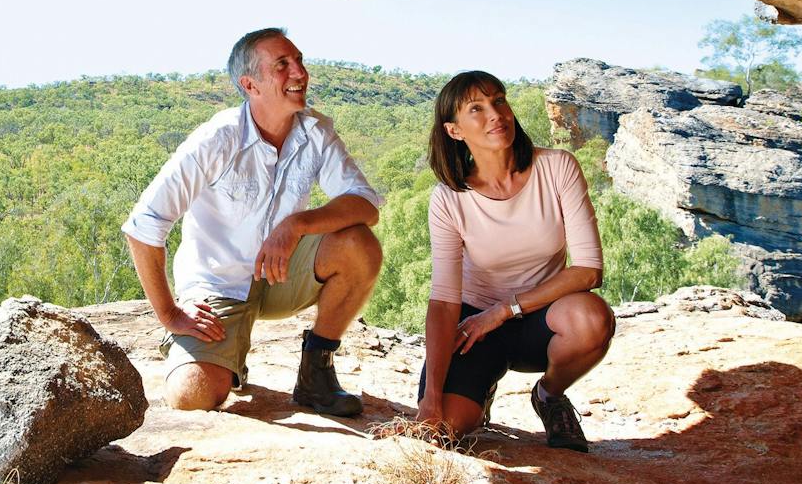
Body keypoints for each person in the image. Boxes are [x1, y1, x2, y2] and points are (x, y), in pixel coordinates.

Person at [123, 28, 384, 416]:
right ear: (250, 85)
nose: (299, 73)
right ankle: (218, 356)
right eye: (282, 65)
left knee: (359, 245)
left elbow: (365, 204)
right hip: (219, 284)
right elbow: (144, 224)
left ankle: (316, 371)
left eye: (299, 61)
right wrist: (170, 314)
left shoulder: (316, 131)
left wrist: (295, 225)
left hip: (282, 273)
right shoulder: (218, 138)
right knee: (192, 397)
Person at [414, 70, 613, 450]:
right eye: (477, 108)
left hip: (543, 318)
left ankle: (549, 395)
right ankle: (480, 391)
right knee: (447, 428)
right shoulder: (448, 199)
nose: (496, 114)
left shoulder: (557, 167)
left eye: (499, 100)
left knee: (591, 319)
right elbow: (443, 301)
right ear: (454, 130)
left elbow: (588, 271)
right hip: (474, 326)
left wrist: (504, 310)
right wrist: (431, 398)